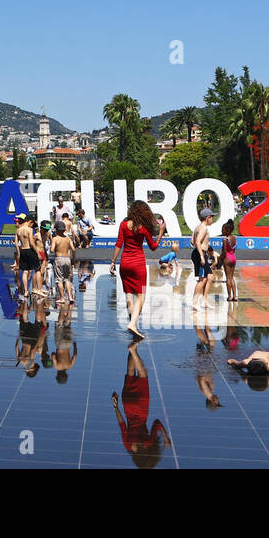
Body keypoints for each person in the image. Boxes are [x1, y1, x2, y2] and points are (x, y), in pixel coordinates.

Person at [110, 200, 165, 339]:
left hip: (125, 264)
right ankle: (133, 324)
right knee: (141, 295)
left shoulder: (123, 225)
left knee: (129, 294)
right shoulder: (143, 228)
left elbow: (118, 243)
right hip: (138, 264)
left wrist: (112, 261)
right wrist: (160, 234)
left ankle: (132, 322)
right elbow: (153, 247)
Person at [112, 341, 172, 469]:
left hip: (142, 407)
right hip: (128, 405)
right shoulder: (129, 446)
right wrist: (116, 407)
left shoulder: (148, 443)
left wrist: (166, 437)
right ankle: (133, 347)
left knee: (143, 375)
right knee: (130, 372)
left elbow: (157, 423)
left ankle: (134, 349)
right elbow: (122, 424)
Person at [190, 208, 216, 311]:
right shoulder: (204, 228)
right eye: (212, 218)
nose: (212, 220)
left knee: (209, 277)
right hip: (201, 254)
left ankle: (204, 300)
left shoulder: (197, 227)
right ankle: (195, 302)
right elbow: (197, 241)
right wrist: (201, 255)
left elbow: (192, 241)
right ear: (208, 218)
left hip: (198, 252)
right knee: (202, 279)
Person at [14, 213, 41, 301]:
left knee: (25, 271)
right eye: (32, 223)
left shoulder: (18, 230)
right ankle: (37, 289)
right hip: (29, 250)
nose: (32, 225)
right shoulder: (29, 229)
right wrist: (37, 252)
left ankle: (25, 291)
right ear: (30, 221)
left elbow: (17, 244)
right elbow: (31, 242)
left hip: (23, 250)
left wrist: (19, 253)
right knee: (37, 269)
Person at [51, 220, 75, 305]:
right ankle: (70, 297)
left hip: (59, 258)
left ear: (56, 230)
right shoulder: (68, 238)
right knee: (67, 279)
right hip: (67, 259)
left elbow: (52, 249)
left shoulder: (55, 238)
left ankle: (62, 298)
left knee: (59, 280)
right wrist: (73, 259)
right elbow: (73, 249)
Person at [220, 218, 238, 301]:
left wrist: (220, 259)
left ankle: (229, 296)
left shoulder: (225, 239)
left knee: (228, 278)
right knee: (232, 277)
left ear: (227, 230)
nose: (222, 231)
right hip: (233, 257)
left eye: (223, 229)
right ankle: (235, 296)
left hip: (227, 258)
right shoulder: (234, 238)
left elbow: (224, 252)